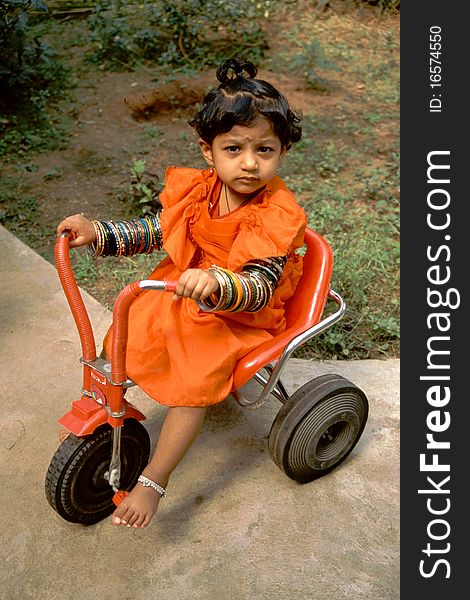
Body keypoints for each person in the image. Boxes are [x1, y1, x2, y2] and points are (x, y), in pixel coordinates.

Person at [57, 57, 308, 529]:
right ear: (208, 152)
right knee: (135, 330)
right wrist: (100, 233)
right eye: (234, 148)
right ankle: (123, 410)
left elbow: (259, 283)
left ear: (283, 151)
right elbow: (156, 230)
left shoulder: (275, 213)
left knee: (193, 383)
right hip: (183, 288)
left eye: (265, 150)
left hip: (236, 313)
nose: (250, 163)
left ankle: (154, 479)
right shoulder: (201, 191)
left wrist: (218, 283)